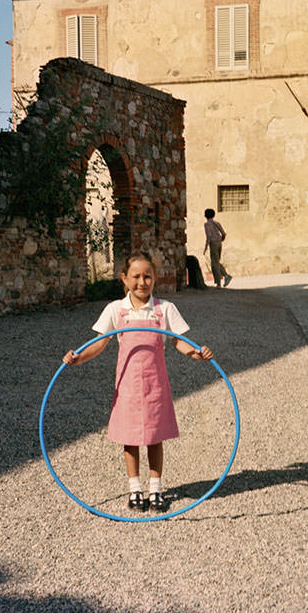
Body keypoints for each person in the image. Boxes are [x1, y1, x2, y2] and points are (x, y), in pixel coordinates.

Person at [62, 252, 213, 512]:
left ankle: (155, 489)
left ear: (154, 279)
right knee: (129, 437)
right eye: (136, 276)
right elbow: (99, 343)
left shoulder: (164, 309)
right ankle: (135, 489)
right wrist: (78, 358)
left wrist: (197, 353)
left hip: (155, 385)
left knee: (155, 437)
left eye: (147, 277)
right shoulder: (116, 310)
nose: (142, 282)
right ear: (124, 278)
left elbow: (179, 341)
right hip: (128, 387)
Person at [203, 208, 232, 287]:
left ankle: (224, 277)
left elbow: (209, 236)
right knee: (216, 262)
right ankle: (220, 281)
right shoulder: (216, 223)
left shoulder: (207, 224)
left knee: (214, 263)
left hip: (213, 243)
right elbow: (223, 233)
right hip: (219, 243)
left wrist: (206, 247)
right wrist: (220, 240)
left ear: (205, 215)